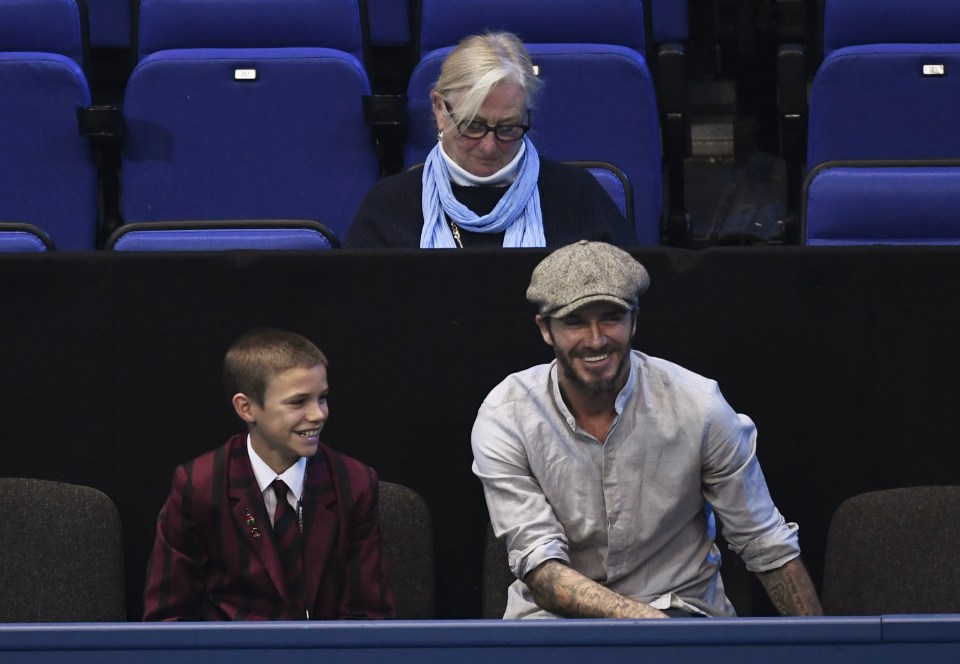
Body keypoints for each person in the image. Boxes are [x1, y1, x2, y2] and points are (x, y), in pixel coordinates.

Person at [471, 240, 824, 619]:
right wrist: (650, 629)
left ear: (634, 321)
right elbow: (541, 570)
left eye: (611, 317)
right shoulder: (506, 416)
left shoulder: (699, 406)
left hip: (682, 611)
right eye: (574, 321)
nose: (596, 339)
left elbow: (765, 543)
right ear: (546, 329)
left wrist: (827, 652)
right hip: (555, 625)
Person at [143, 327, 395, 620]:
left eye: (322, 398)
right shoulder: (199, 486)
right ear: (247, 408)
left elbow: (368, 617)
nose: (318, 414)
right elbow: (169, 618)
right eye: (298, 402)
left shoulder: (354, 484)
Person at [345, 31, 637, 249]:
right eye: (473, 125)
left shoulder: (578, 198)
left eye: (508, 128)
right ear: (439, 109)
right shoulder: (388, 208)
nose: (488, 145)